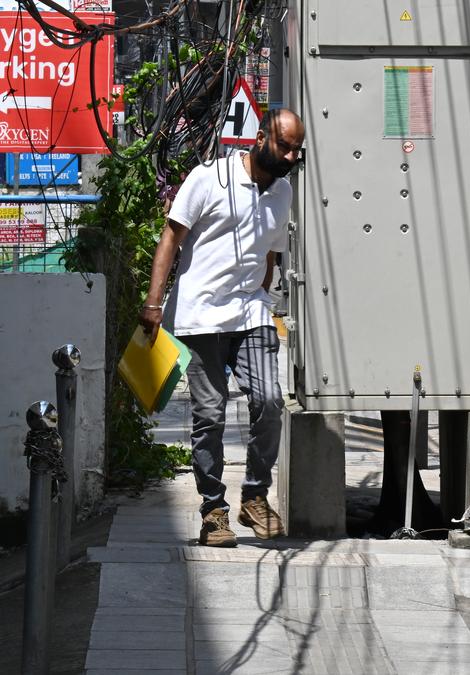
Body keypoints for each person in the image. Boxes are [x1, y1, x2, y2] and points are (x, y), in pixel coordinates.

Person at [139, 108, 306, 547]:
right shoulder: (209, 177)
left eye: (296, 150)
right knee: (209, 416)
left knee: (270, 401)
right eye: (284, 145)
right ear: (260, 138)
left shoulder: (283, 192)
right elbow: (170, 237)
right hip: (200, 316)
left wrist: (261, 295)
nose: (290, 156)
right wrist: (154, 304)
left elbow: (269, 253)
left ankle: (255, 496)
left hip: (250, 313)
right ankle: (214, 510)